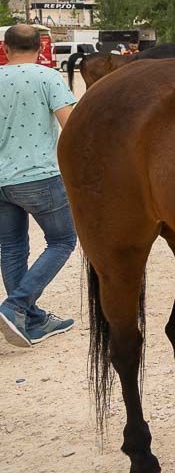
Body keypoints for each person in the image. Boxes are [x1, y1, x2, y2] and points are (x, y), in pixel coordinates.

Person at [0, 24, 78, 347]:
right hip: (40, 176)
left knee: (12, 247)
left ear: (5, 49)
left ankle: (27, 320)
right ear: (39, 48)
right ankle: (16, 306)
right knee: (63, 240)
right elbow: (71, 126)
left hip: (1, 180)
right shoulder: (48, 78)